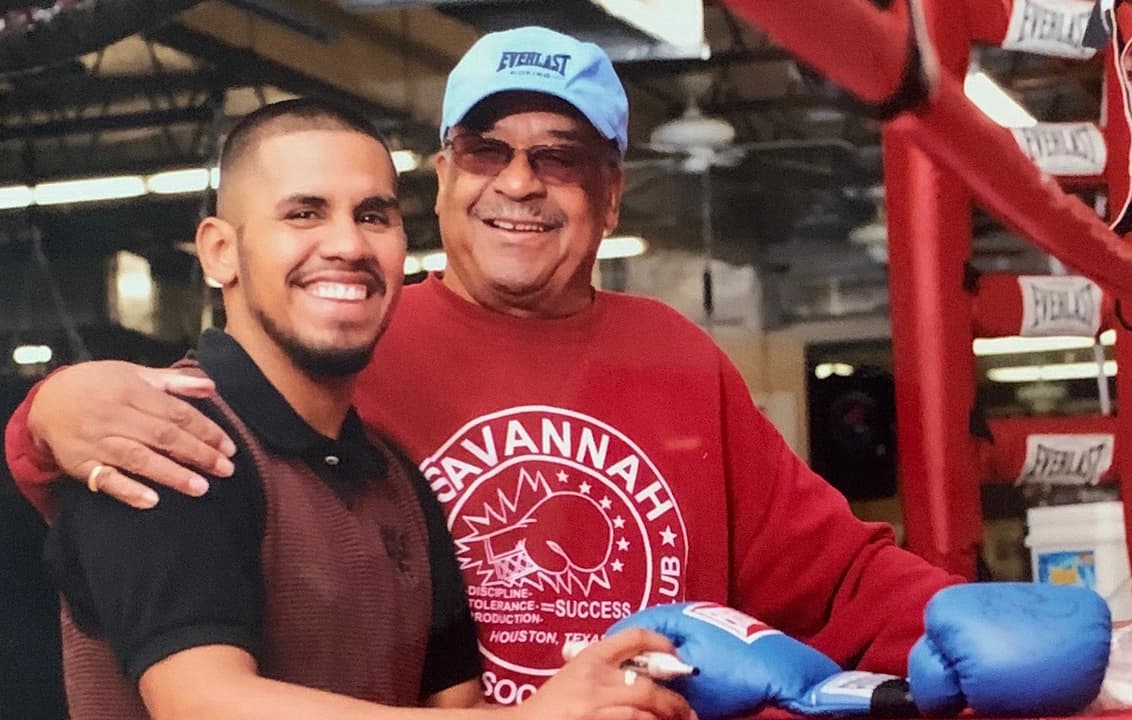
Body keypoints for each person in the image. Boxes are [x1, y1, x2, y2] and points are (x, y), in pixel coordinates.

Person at [6, 26, 962, 706]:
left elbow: (833, 575)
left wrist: (973, 619)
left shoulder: (667, 364)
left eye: (561, 157)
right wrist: (47, 411)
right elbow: (166, 487)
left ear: (612, 194)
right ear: (445, 178)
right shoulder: (330, 359)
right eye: (485, 149)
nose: (517, 182)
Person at [39, 97, 692, 720]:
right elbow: (203, 705)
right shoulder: (159, 435)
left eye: (374, 216)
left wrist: (604, 698)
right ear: (220, 251)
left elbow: (457, 709)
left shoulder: (396, 479)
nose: (348, 245)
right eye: (304, 213)